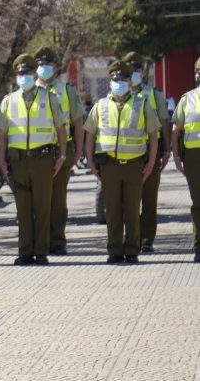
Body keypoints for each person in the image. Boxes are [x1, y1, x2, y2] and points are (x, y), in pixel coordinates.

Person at [84, 60, 159, 264]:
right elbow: (90, 134)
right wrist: (90, 162)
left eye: (123, 79)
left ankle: (132, 250)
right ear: (110, 81)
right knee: (113, 210)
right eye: (115, 79)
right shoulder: (101, 106)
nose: (119, 82)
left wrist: (151, 161)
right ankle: (115, 250)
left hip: (135, 165)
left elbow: (153, 135)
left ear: (130, 81)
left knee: (133, 209)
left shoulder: (142, 104)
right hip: (109, 166)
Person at [0, 54, 68, 266]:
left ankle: (41, 251)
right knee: (23, 209)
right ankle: (25, 251)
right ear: (16, 77)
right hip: (18, 161)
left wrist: (62, 155)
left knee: (43, 207)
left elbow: (61, 128)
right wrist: (1, 160)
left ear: (35, 74)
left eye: (27, 73)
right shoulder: (8, 101)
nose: (24, 77)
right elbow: (2, 134)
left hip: (43, 159)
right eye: (20, 74)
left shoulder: (49, 98)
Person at [34, 47, 84, 255]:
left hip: (60, 152)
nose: (44, 68)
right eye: (40, 64)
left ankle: (57, 240)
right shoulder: (26, 92)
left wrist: (78, 151)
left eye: (48, 64)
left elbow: (78, 122)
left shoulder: (67, 91)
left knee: (57, 200)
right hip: (35, 153)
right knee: (37, 200)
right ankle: (39, 241)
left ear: (55, 67)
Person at [123, 52, 171, 253]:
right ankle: (131, 238)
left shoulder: (154, 94)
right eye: (130, 69)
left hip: (151, 153)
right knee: (128, 200)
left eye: (137, 68)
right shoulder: (117, 96)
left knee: (149, 199)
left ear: (143, 71)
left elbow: (164, 123)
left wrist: (167, 149)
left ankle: (147, 239)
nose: (134, 73)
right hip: (127, 155)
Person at [169, 57, 200, 263]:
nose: (199, 75)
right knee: (198, 203)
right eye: (198, 71)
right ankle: (199, 246)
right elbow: (175, 130)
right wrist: (176, 156)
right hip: (193, 156)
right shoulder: (187, 99)